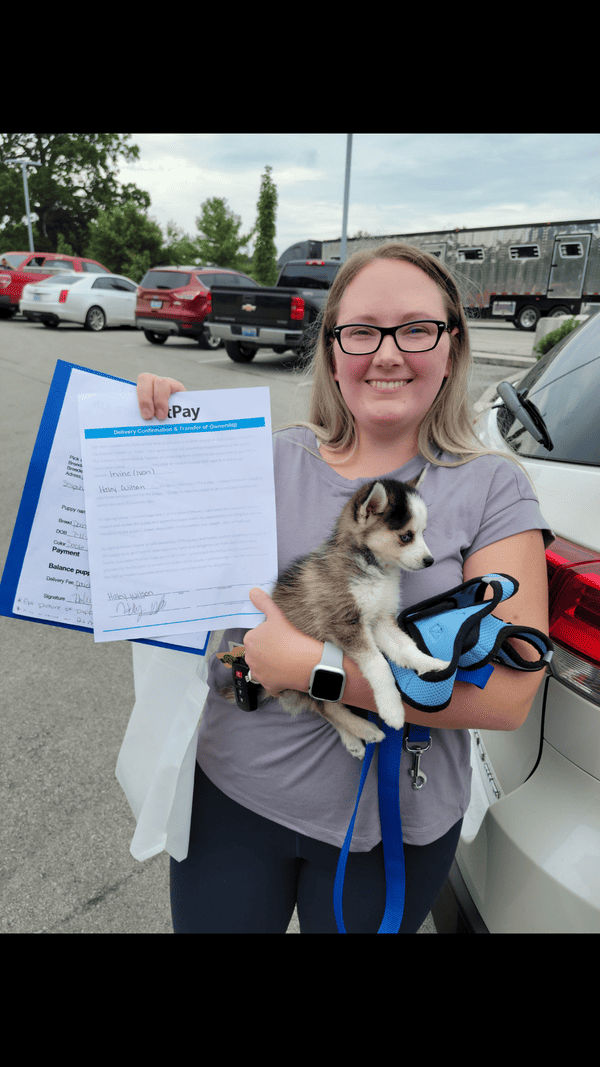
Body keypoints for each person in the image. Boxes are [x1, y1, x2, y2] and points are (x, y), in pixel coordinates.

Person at [135, 243, 552, 933]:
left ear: (452, 345)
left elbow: (508, 696)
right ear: (332, 351)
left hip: (391, 828)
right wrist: (154, 438)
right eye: (361, 331)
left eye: (416, 328)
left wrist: (315, 671)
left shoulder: (493, 488)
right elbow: (156, 560)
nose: (387, 353)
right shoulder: (269, 456)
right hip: (233, 802)